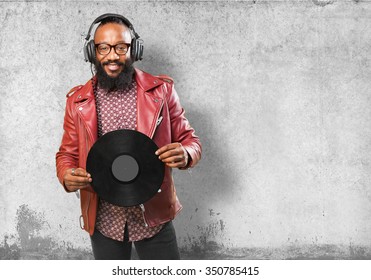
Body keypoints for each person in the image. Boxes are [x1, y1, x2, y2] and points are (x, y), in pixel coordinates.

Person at [55, 13, 201, 260]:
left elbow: (191, 141)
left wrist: (185, 153)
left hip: (154, 216)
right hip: (104, 221)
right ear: (92, 52)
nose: (112, 56)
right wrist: (66, 176)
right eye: (103, 48)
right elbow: (67, 154)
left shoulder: (162, 91)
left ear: (135, 50)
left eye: (121, 47)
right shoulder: (76, 101)